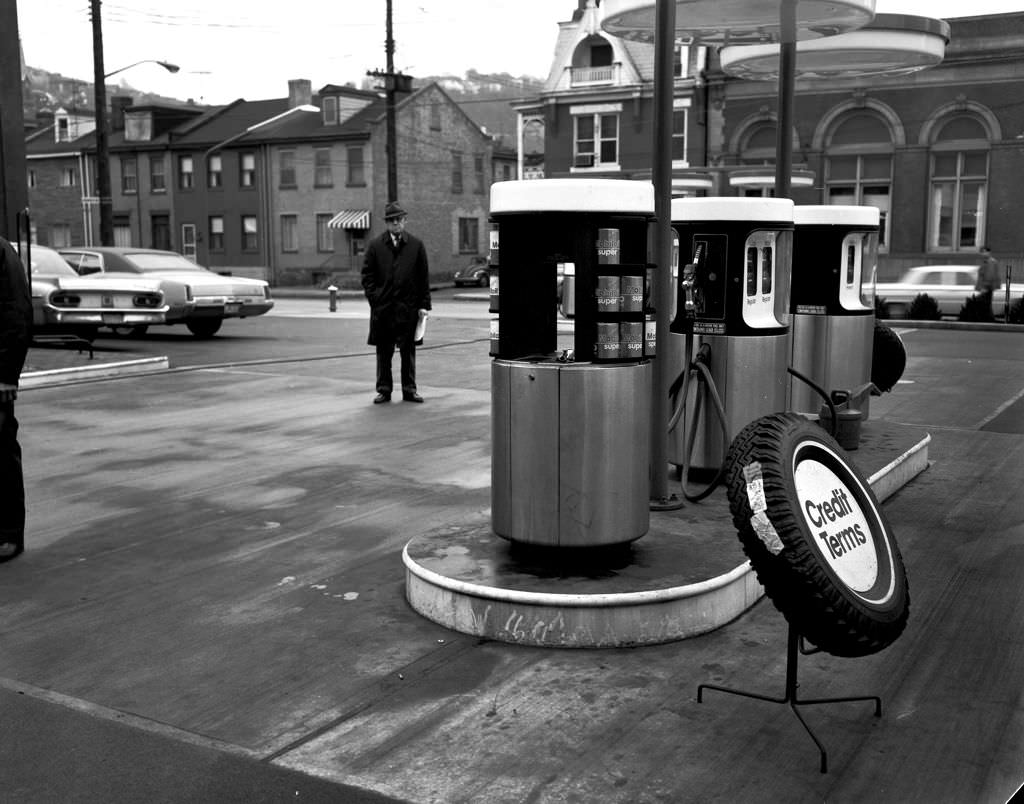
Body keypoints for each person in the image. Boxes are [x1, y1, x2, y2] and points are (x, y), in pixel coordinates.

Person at [361, 201, 432, 404]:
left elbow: (422, 278)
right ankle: (384, 389)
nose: (396, 223)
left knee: (408, 352)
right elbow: (367, 276)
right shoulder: (375, 246)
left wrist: (423, 306)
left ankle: (410, 390)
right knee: (384, 352)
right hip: (384, 310)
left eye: (399, 219)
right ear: (387, 223)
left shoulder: (416, 246)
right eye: (392, 221)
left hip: (408, 309)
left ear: (405, 221)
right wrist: (375, 299)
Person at [0, 235, 32, 563]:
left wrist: (7, 374)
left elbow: (16, 311)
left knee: (1, 455)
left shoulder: (1, 252)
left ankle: (8, 535)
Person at [976, 246, 1001, 317]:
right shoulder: (986, 262)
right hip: (987, 287)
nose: (982, 254)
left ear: (989, 252)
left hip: (987, 288)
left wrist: (985, 287)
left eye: (984, 252)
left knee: (986, 304)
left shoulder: (990, 262)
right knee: (986, 305)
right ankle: (989, 318)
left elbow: (989, 276)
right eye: (981, 252)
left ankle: (990, 319)